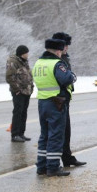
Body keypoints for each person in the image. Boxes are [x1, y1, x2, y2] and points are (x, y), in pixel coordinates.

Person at [32, 38, 76, 177]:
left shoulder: (38, 63)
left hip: (42, 102)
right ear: (58, 51)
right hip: (56, 102)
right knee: (56, 135)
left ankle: (41, 166)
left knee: (44, 135)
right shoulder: (57, 64)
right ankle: (53, 167)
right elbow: (66, 79)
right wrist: (72, 76)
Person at [52, 32, 87, 168]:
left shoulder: (64, 58)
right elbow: (64, 78)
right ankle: (56, 162)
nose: (66, 48)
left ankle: (67, 157)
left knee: (66, 131)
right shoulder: (57, 60)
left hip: (63, 98)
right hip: (57, 99)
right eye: (65, 45)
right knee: (59, 132)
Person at [5, 45, 34, 142]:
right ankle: (15, 134)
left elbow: (28, 75)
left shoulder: (24, 62)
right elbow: (9, 77)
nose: (27, 54)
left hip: (26, 91)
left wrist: (31, 87)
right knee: (18, 112)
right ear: (22, 53)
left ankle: (21, 133)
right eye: (26, 53)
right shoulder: (13, 62)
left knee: (23, 113)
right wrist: (17, 89)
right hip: (18, 92)